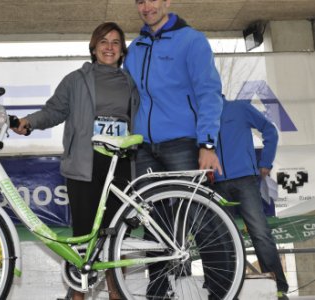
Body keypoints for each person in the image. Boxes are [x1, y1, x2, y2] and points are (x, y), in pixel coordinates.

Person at [12, 22, 139, 300]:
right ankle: (78, 294)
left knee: (116, 235)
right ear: (93, 47)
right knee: (82, 233)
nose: (109, 47)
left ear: (122, 50)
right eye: (103, 41)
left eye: (116, 42)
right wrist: (29, 123)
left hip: (120, 165)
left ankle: (117, 293)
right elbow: (54, 111)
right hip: (85, 164)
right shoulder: (76, 80)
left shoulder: (132, 83)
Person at [123, 0, 225, 298]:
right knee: (154, 223)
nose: (146, 7)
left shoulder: (191, 40)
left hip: (182, 143)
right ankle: (159, 290)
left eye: (153, 0)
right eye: (140, 1)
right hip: (143, 148)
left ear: (167, 2)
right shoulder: (136, 47)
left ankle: (221, 289)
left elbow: (209, 92)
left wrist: (207, 143)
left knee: (198, 217)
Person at [212, 98, 289, 300]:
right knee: (224, 239)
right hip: (216, 184)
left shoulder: (240, 108)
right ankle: (229, 290)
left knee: (260, 233)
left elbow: (270, 130)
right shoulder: (202, 113)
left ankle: (278, 287)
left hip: (245, 179)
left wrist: (266, 161)